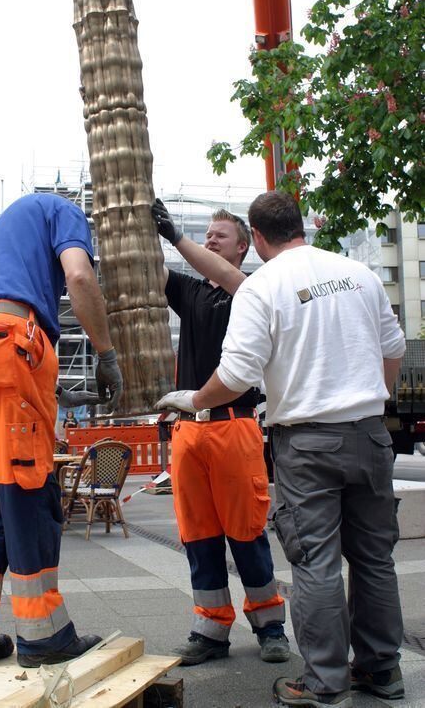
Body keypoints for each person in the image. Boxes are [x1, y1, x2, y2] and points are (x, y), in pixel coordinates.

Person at [157, 191, 406, 708]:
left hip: (308, 440)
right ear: (298, 225)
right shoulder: (358, 273)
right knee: (374, 559)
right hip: (368, 431)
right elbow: (392, 350)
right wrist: (375, 404)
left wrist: (195, 399)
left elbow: (237, 374)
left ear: (257, 238)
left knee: (316, 561)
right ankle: (382, 671)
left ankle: (324, 684)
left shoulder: (262, 286)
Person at [0, 193, 123, 670]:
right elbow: (80, 276)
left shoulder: (6, 228)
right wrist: (105, 356)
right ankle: (44, 636)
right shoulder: (65, 212)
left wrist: (52, 390)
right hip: (8, 338)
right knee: (28, 488)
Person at [151, 199, 289, 666]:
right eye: (205, 234)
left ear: (244, 249)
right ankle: (209, 630)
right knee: (198, 534)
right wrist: (133, 226)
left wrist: (175, 236)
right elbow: (147, 271)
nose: (209, 240)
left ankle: (271, 626)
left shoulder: (249, 289)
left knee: (246, 532)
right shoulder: (189, 291)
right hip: (189, 432)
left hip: (234, 428)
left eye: (219, 236)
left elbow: (222, 274)